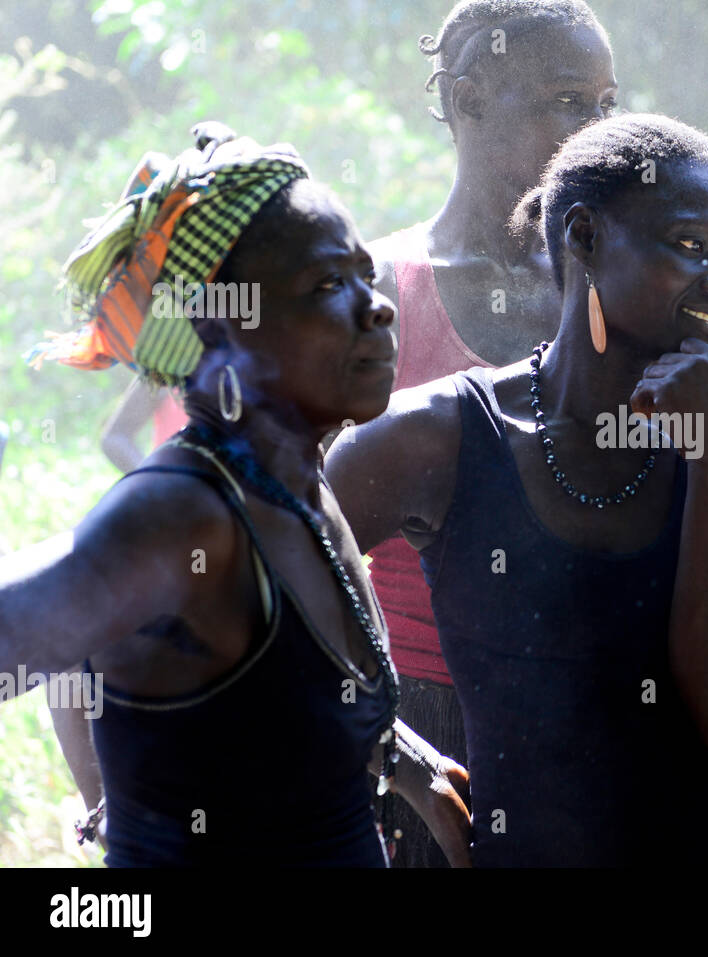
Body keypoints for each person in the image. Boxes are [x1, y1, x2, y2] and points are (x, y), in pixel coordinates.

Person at [326, 113, 708, 866]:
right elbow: (263, 608)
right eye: (691, 246)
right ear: (583, 236)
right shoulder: (437, 437)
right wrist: (397, 753)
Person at [4, 124, 470, 867]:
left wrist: (412, 767)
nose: (376, 306)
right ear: (219, 324)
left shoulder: (299, 485)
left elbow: (297, 693)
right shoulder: (187, 515)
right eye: (326, 285)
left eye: (364, 274)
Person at [361, 0, 618, 868]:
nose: (590, 131)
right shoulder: (379, 295)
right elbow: (303, 539)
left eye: (603, 107)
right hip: (424, 723)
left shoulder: (618, 286)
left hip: (588, 703)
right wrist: (392, 751)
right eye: (566, 101)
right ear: (469, 98)